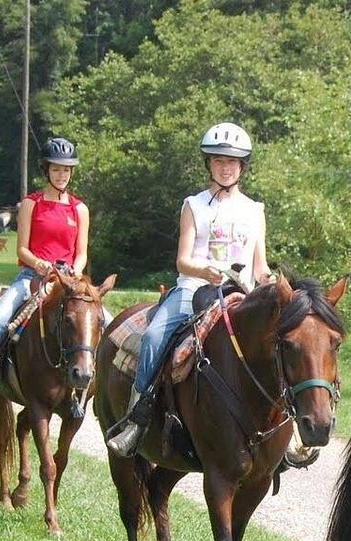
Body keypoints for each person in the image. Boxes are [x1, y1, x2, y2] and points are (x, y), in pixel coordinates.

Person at [106, 121, 270, 457]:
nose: (225, 167)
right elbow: (182, 260)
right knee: (153, 338)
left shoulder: (254, 211)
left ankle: (286, 436)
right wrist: (205, 270)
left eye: (232, 162)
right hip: (194, 289)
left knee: (282, 345)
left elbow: (260, 265)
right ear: (208, 163)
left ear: (242, 167)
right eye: (219, 161)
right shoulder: (193, 206)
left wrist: (271, 283)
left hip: (241, 294)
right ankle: (137, 420)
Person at [0, 137, 91, 407]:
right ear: (46, 170)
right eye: (56, 169)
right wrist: (38, 264)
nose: (62, 175)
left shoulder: (79, 209)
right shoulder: (30, 204)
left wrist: (74, 272)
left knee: (99, 321)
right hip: (31, 278)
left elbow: (81, 252)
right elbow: (22, 249)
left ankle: (89, 388)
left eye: (66, 170)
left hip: (68, 281)